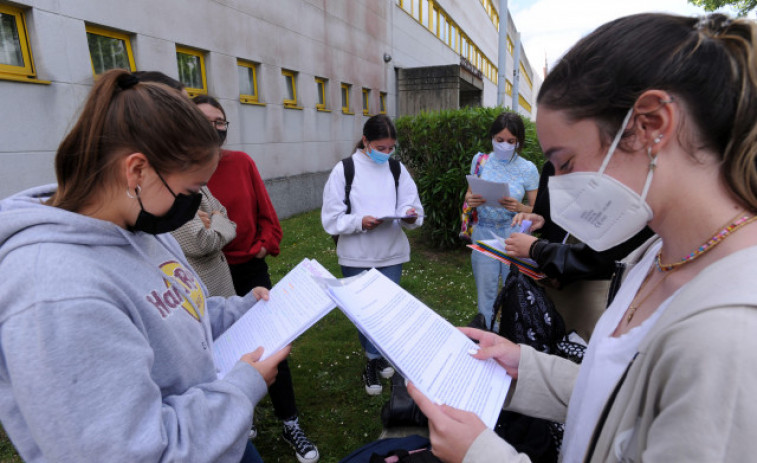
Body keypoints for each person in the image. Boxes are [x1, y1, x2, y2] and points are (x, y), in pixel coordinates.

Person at [408, 13, 757, 462]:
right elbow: (622, 400)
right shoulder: (657, 255)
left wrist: (481, 455)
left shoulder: (731, 339)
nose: (558, 184)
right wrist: (525, 370)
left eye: (566, 163)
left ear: (651, 125)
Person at [0, 69, 290, 463]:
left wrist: (239, 311)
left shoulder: (141, 226)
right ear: (137, 171)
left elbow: (175, 311)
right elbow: (131, 453)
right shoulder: (56, 294)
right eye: (190, 191)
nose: (193, 205)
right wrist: (242, 387)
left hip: (215, 437)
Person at [193, 95, 319, 463]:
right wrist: (219, 225)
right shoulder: (181, 172)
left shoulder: (241, 162)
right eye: (206, 120)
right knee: (223, 352)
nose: (216, 127)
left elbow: (264, 216)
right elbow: (199, 235)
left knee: (273, 346)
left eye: (221, 120)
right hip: (209, 275)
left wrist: (264, 246)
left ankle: (289, 420)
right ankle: (238, 416)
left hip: (250, 269)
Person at [321, 114, 424, 396]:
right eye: (381, 147)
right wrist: (359, 222)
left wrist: (409, 216)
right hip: (356, 255)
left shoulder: (396, 169)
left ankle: (378, 356)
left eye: (391, 148)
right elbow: (331, 219)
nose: (387, 153)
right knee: (364, 313)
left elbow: (411, 205)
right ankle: (371, 361)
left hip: (391, 253)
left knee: (387, 312)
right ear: (365, 141)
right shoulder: (344, 170)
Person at [504, 161, 654, 341]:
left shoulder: (631, 183)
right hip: (551, 282)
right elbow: (557, 217)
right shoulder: (553, 165)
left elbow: (602, 256)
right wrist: (540, 220)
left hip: (587, 294)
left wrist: (537, 249)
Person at [465, 113, 539, 328]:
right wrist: (472, 200)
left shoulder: (528, 168)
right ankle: (487, 333)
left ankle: (512, 336)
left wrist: (521, 208)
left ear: (519, 142)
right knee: (485, 293)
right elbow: (468, 196)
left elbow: (538, 210)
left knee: (513, 292)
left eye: (510, 141)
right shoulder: (480, 161)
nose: (504, 145)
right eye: (499, 140)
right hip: (483, 232)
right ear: (491, 138)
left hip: (514, 234)